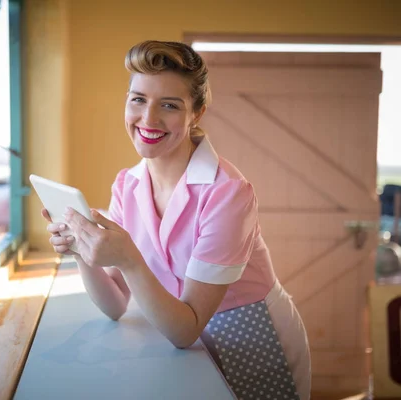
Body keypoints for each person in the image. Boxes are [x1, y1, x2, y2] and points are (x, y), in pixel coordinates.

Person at [41, 40, 311, 400]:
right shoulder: (128, 184)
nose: (148, 119)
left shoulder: (227, 193)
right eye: (138, 99)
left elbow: (187, 328)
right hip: (175, 338)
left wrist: (128, 258)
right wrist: (82, 252)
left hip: (251, 339)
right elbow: (115, 303)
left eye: (169, 105)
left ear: (195, 114)